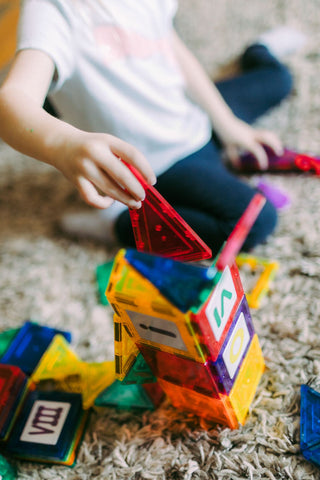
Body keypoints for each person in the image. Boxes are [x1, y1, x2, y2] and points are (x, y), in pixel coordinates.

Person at [0, 0, 306, 255]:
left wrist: (227, 125)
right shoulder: (52, 10)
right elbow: (12, 103)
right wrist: (62, 144)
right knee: (256, 220)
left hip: (191, 116)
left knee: (277, 81)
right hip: (158, 163)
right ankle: (118, 222)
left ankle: (258, 50)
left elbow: (171, 48)